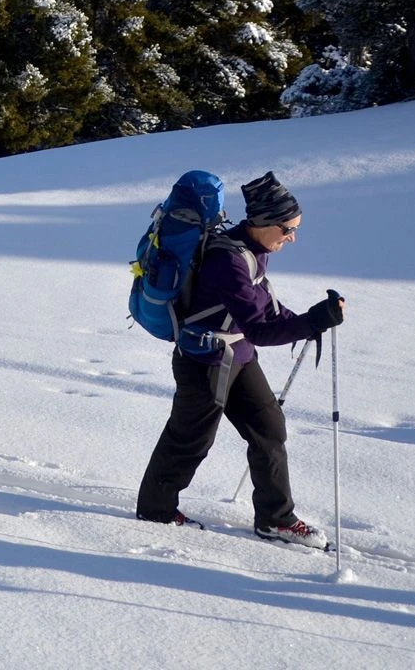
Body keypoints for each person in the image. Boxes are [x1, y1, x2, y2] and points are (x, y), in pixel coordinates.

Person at [135, 171, 346, 549]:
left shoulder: (253, 251)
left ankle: (275, 520)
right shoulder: (227, 261)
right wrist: (313, 321)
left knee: (270, 430)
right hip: (204, 360)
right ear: (264, 222)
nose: (292, 237)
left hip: (238, 356)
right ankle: (155, 510)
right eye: (287, 229)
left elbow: (266, 313)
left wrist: (312, 319)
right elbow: (262, 329)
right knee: (190, 441)